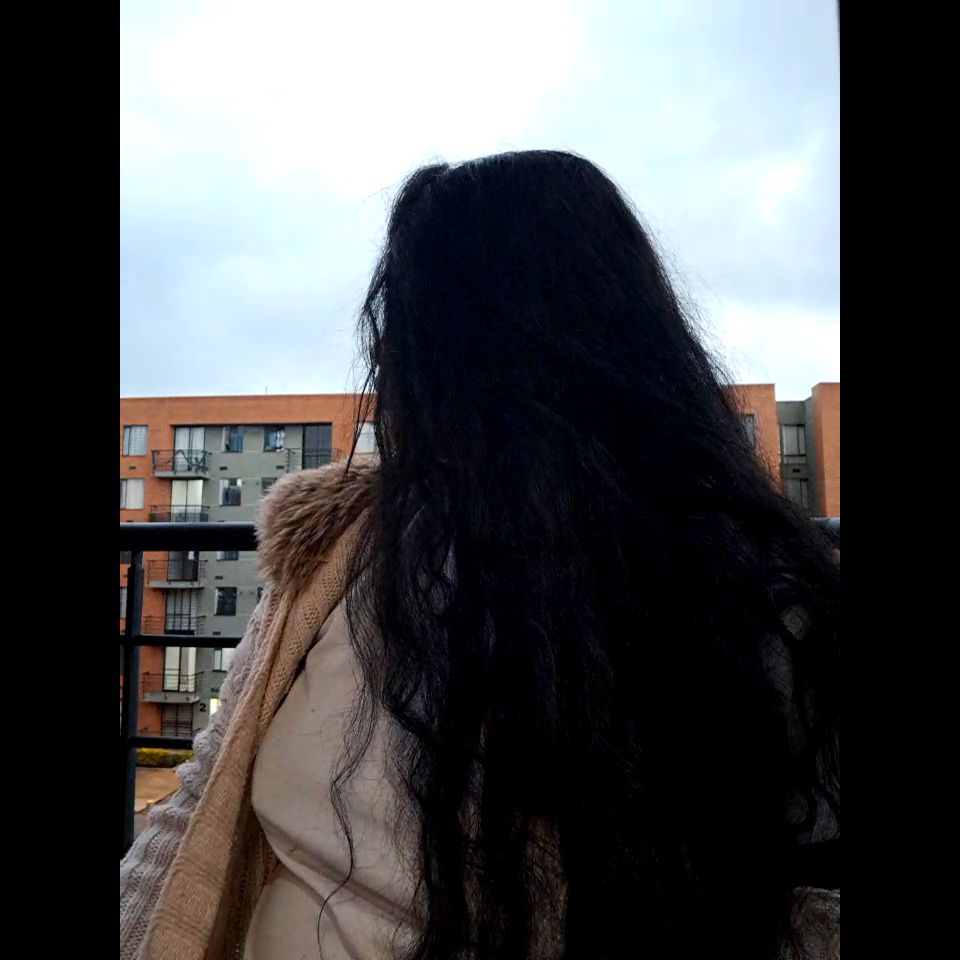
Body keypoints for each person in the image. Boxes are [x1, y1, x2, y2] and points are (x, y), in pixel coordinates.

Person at [120, 151, 840, 960]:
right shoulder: (339, 543)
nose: (385, 361)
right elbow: (195, 803)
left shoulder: (749, 590)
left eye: (408, 323)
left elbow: (803, 908)